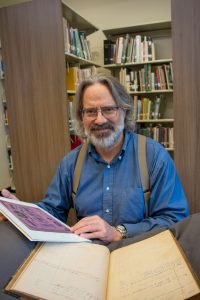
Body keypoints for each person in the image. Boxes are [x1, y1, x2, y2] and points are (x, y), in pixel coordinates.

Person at [1, 74, 189, 243]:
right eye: (91, 112)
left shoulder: (154, 156)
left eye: (108, 109)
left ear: (125, 111)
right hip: (89, 260)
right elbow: (53, 211)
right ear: (81, 117)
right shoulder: (71, 163)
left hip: (140, 255)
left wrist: (119, 232)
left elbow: (174, 218)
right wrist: (21, 213)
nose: (99, 120)